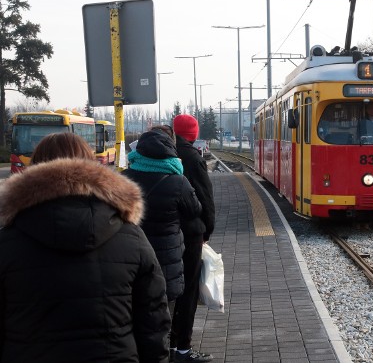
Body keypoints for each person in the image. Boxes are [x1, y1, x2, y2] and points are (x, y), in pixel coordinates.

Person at [0, 132, 171, 362]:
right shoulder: (131, 237)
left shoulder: (7, 242)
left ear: (34, 169)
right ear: (90, 167)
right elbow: (153, 320)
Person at [122, 129, 203, 313]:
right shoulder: (178, 181)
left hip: (133, 258)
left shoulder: (123, 179)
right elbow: (194, 210)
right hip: (168, 259)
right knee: (163, 315)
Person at [171, 114, 217, 363]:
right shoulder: (192, 158)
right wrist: (206, 232)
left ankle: (167, 345)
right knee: (187, 291)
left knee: (166, 291)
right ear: (192, 132)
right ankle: (183, 349)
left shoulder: (164, 154)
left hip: (163, 234)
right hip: (189, 234)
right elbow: (206, 201)